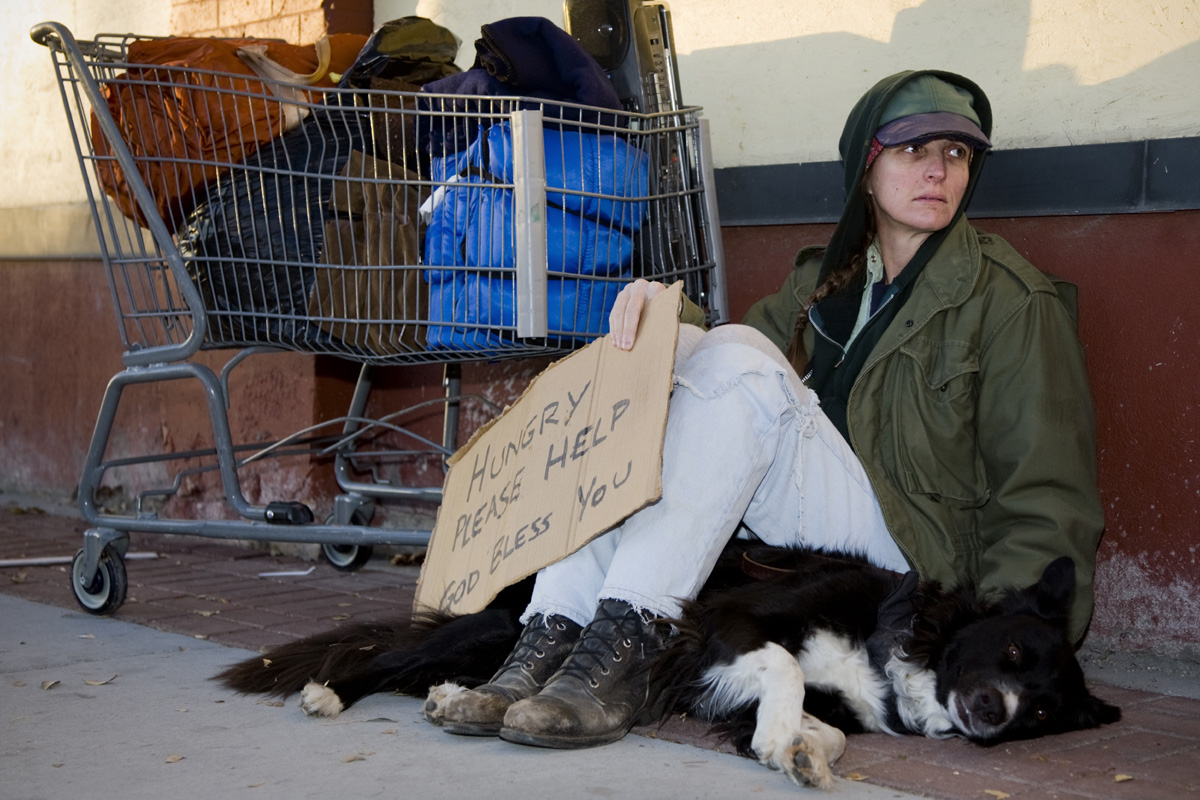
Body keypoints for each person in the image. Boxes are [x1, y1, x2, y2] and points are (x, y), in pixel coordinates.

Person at [434, 70, 1104, 750]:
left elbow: (1045, 493)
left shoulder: (1013, 303)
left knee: (735, 362)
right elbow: (725, 378)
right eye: (912, 150)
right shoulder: (824, 279)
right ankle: (550, 633)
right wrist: (662, 322)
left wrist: (1008, 633)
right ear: (865, 170)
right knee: (684, 360)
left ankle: (630, 644)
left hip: (912, 573)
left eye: (956, 154)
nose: (937, 169)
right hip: (821, 547)